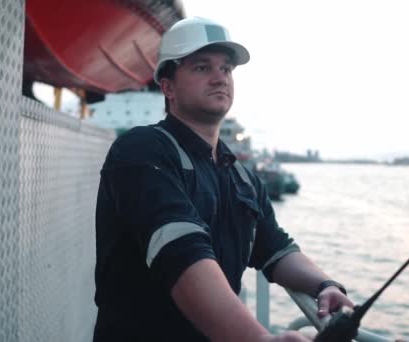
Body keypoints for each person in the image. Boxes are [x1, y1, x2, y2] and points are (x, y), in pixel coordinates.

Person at [93, 16, 354, 341]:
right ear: (168, 86)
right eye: (202, 67)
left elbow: (276, 248)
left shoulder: (241, 176)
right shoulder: (142, 152)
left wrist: (325, 285)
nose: (220, 78)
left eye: (226, 69)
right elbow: (182, 258)